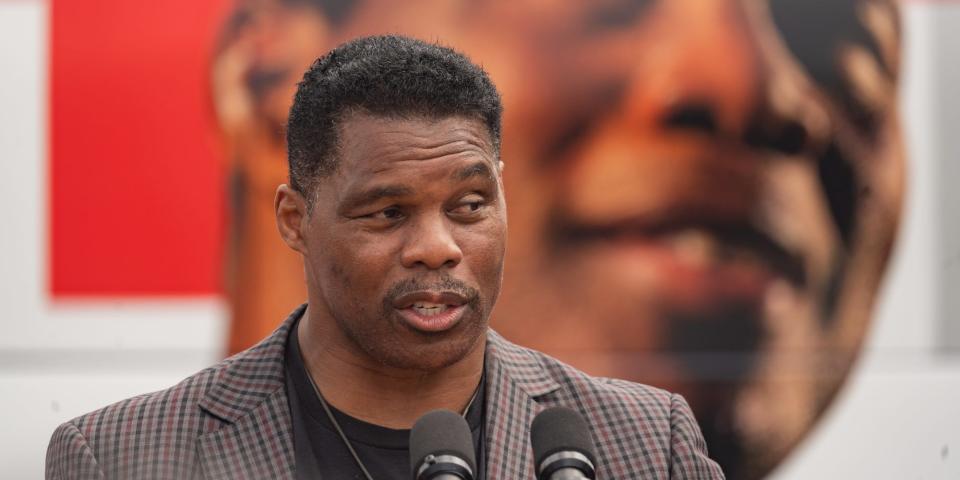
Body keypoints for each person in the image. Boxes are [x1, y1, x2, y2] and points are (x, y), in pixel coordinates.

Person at [212, 2, 904, 478]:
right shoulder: (131, 453)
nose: (753, 88)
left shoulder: (660, 441)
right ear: (268, 74)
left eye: (855, 40)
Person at [46, 35, 724, 480]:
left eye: (469, 206)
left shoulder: (642, 445)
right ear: (295, 220)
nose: (439, 247)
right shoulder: (123, 458)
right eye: (387, 213)